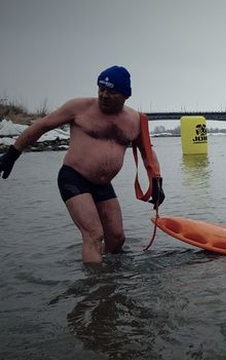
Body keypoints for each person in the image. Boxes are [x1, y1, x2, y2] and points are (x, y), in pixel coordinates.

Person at [0, 66, 165, 264]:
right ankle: (95, 287)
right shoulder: (79, 107)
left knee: (117, 238)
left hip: (103, 184)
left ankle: (111, 279)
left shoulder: (136, 120)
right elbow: (41, 126)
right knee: (94, 234)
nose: (104, 95)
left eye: (111, 92)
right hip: (74, 176)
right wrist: (13, 153)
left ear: (125, 95)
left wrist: (157, 182)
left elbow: (148, 153)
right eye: (101, 89)